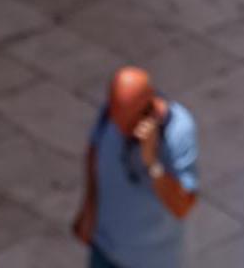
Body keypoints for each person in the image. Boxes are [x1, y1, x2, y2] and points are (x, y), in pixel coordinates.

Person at [73, 65, 198, 268]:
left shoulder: (177, 132)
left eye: (127, 125)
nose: (120, 130)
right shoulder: (113, 113)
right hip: (105, 250)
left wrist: (151, 162)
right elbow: (94, 149)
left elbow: (182, 206)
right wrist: (89, 206)